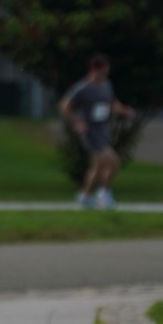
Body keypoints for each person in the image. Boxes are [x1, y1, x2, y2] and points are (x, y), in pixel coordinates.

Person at [59, 53, 135, 209]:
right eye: (103, 71)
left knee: (98, 166)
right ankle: (104, 194)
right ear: (94, 69)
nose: (105, 74)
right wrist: (77, 123)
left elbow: (112, 102)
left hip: (103, 130)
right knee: (114, 162)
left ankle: (84, 196)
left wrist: (123, 110)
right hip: (90, 131)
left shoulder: (106, 85)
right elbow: (65, 106)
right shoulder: (82, 88)